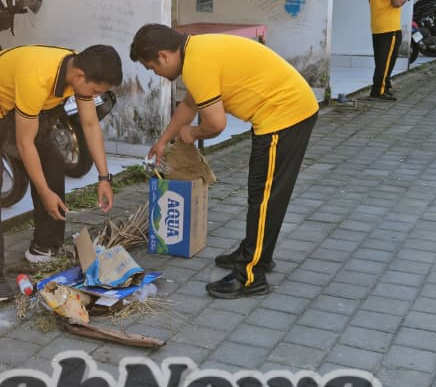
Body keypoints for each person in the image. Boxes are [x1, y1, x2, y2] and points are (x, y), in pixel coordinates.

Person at [130, 25, 318, 299]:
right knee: (261, 195)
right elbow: (189, 105)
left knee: (265, 198)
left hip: (285, 116)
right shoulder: (197, 51)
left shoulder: (197, 63)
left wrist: (192, 133)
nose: (156, 74)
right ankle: (254, 254)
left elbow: (216, 124)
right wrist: (163, 141)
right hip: (283, 113)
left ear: (163, 56)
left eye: (152, 68)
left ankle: (251, 275)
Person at [0, 44, 122, 301]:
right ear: (80, 77)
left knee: (52, 162)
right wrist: (45, 193)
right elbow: (25, 144)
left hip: (13, 105)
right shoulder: (37, 78)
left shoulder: (81, 69)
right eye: (96, 90)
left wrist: (104, 178)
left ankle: (44, 247)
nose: (96, 95)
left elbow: (89, 124)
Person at [367, 0, 414, 102]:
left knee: (381, 60)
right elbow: (396, 2)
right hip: (390, 27)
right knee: (387, 61)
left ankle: (383, 86)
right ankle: (379, 90)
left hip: (377, 25)